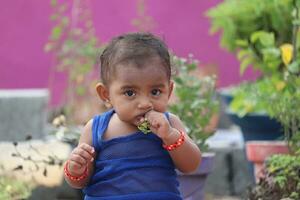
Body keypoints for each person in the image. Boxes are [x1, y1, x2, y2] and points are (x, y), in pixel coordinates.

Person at [63, 32, 202, 200]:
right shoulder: (96, 128)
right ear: (106, 95)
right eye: (130, 93)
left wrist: (170, 137)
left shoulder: (170, 124)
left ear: (169, 90)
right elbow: (81, 182)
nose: (145, 103)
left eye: (155, 91)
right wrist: (76, 169)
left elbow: (191, 165)